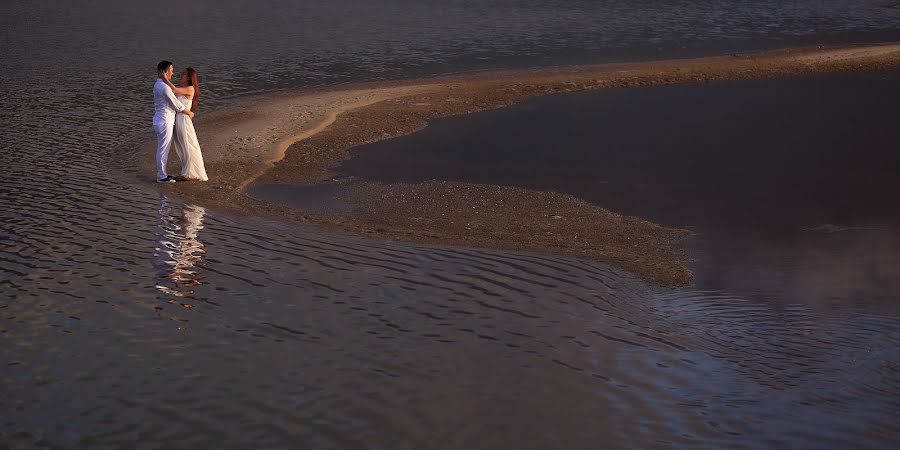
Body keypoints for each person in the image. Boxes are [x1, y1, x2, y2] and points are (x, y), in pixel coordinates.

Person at [162, 67, 208, 181]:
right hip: (178, 119)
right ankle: (186, 172)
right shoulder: (185, 88)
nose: (181, 75)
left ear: (188, 77)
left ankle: (186, 174)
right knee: (181, 146)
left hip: (183, 120)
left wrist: (164, 78)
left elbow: (174, 89)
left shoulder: (190, 89)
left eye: (183, 74)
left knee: (187, 145)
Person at [153, 60, 194, 183]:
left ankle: (163, 174)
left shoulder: (158, 84)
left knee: (163, 148)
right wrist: (189, 113)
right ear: (165, 71)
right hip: (165, 121)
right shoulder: (164, 87)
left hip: (161, 120)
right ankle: (161, 176)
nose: (173, 72)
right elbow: (177, 105)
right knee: (163, 149)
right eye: (171, 70)